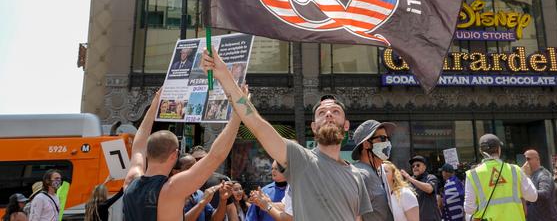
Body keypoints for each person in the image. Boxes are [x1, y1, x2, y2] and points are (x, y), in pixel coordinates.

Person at [202, 48, 372, 221]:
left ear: (346, 125)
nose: (328, 114)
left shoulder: (356, 175)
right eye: (322, 113)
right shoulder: (301, 159)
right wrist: (224, 76)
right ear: (314, 127)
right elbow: (258, 125)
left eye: (335, 111)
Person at [122, 88, 241, 221]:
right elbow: (215, 156)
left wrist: (155, 105)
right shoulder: (173, 188)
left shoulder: (131, 179)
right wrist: (237, 114)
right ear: (175, 155)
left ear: (148, 153)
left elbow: (138, 145)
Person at [463, 134, 538, 220]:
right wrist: (526, 174)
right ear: (499, 149)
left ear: (481, 151)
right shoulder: (515, 170)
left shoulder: (473, 174)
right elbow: (533, 197)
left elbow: (469, 209)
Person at [351, 119, 396, 221]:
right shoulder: (360, 175)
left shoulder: (379, 173)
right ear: (366, 144)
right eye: (382, 138)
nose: (388, 143)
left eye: (388, 138)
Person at [522, 149, 557, 221]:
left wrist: (526, 177)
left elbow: (545, 193)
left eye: (528, 159)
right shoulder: (531, 176)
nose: (526, 162)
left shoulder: (543, 174)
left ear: (537, 159)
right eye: (524, 159)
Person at [401, 155, 442, 221]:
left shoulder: (430, 177)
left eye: (418, 165)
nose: (415, 167)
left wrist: (410, 178)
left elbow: (429, 189)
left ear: (424, 167)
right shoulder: (409, 182)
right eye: (413, 166)